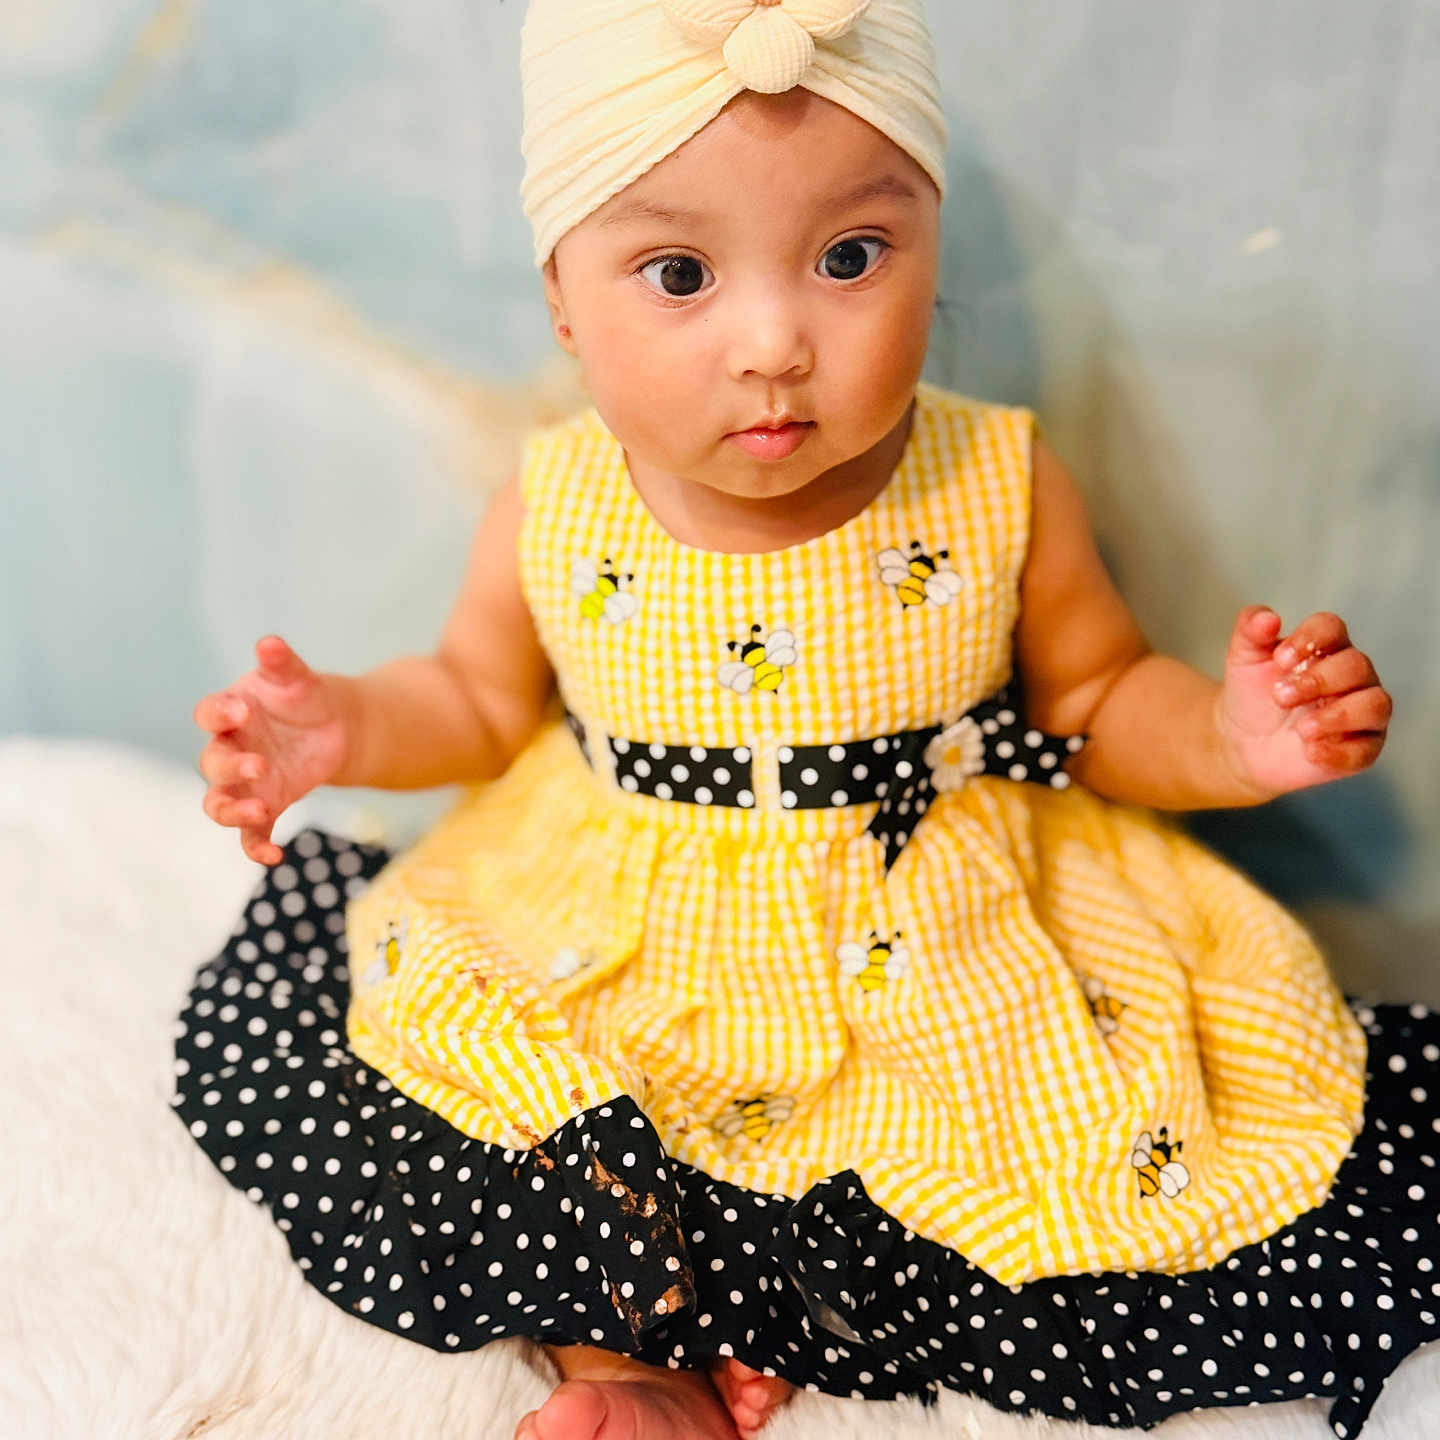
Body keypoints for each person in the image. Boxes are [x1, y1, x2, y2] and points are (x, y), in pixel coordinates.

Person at [174, 3, 1435, 1438]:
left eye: (851, 258)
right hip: (631, 926)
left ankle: (749, 1336)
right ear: (564, 303)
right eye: (679, 273)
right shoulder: (560, 497)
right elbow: (468, 701)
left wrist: (1229, 737)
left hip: (929, 935)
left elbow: (1090, 705)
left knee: (1035, 1154)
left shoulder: (997, 479)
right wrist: (337, 727)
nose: (774, 344)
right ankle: (633, 1365)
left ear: (930, 242)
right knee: (524, 1100)